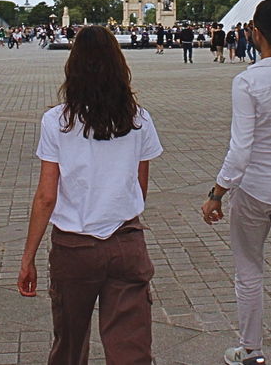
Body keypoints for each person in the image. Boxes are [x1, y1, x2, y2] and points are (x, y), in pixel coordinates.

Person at [17, 25, 162, 364]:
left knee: (69, 344)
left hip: (74, 246)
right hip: (126, 240)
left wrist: (28, 258)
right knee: (132, 348)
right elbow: (140, 186)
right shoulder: (139, 119)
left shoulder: (57, 121)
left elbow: (46, 197)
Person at [201, 0, 271, 365]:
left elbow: (241, 149)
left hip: (254, 189)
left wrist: (217, 193)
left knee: (249, 271)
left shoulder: (248, 81)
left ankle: (251, 350)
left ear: (255, 32)